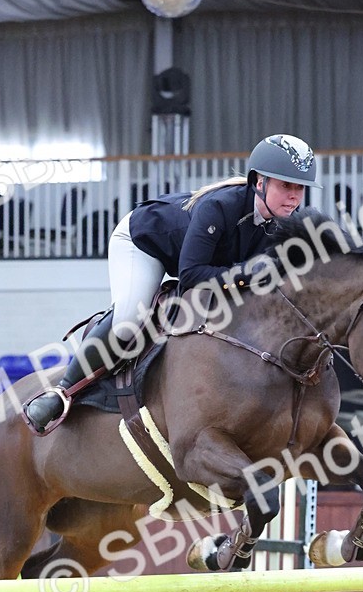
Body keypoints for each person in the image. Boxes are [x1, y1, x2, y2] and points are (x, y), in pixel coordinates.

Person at [23, 133, 320, 434]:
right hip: (143, 243)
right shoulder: (219, 207)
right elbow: (190, 275)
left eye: (300, 188)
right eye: (286, 186)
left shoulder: (284, 223)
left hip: (198, 260)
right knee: (129, 320)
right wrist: (246, 275)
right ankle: (62, 392)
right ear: (259, 182)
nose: (294, 196)